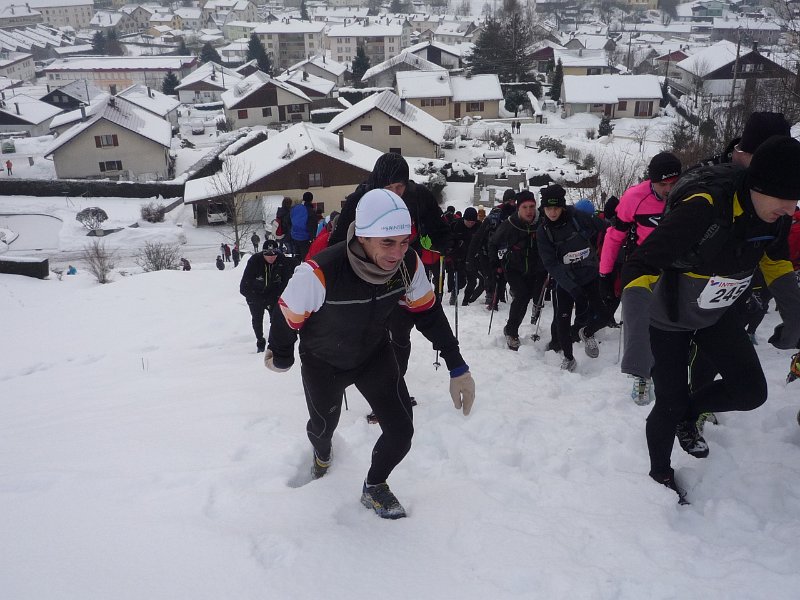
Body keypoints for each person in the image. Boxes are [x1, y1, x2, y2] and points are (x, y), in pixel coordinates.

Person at [266, 189, 475, 519]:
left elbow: (428, 313)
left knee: (402, 431)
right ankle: (322, 455)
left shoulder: (408, 265)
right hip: (323, 362)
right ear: (362, 236)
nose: (397, 252)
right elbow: (286, 314)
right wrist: (281, 354)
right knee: (323, 428)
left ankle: (375, 485)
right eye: (387, 242)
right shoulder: (320, 272)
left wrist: (457, 365)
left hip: (373, 355)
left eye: (404, 242)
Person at [620, 135, 800, 502]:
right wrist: (637, 345)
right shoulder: (704, 207)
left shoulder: (776, 216)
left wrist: (795, 317)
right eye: (783, 197)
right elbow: (640, 265)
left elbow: (777, 262)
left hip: (715, 314)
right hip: (667, 318)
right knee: (669, 402)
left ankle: (688, 413)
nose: (790, 208)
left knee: (750, 392)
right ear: (758, 185)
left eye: (795, 199)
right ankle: (660, 474)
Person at [329, 152, 452, 413]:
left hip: (404, 275)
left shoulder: (418, 196)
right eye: (389, 187)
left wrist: (443, 245)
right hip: (367, 279)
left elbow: (439, 230)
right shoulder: (361, 200)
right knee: (374, 337)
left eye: (400, 187)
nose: (395, 193)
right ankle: (380, 391)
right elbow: (338, 243)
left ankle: (390, 392)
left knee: (400, 335)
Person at [599, 152, 682, 401]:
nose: (668, 189)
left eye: (673, 183)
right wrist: (605, 273)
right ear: (651, 181)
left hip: (678, 265)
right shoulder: (634, 197)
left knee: (675, 323)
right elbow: (615, 236)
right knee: (639, 321)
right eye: (662, 184)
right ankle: (641, 375)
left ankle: (677, 376)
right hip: (644, 264)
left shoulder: (689, 193)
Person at [537, 185, 610, 371]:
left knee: (604, 316)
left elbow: (606, 228)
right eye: (548, 208)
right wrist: (572, 288)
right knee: (563, 319)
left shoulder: (577, 216)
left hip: (589, 275)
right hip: (566, 281)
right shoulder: (543, 231)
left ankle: (586, 332)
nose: (552, 212)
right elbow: (550, 263)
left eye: (556, 208)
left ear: (562, 206)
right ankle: (568, 358)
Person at [488, 190, 548, 351]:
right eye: (525, 207)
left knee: (526, 297)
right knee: (521, 295)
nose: (529, 211)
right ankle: (511, 331)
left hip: (533, 268)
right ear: (518, 208)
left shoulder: (541, 223)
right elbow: (493, 243)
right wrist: (495, 265)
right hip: (512, 266)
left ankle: (511, 328)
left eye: (532, 206)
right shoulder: (510, 224)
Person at [240, 239, 294, 352]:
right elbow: (244, 287)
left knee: (276, 319)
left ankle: (274, 342)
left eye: (274, 254)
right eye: (268, 255)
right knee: (257, 320)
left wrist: (275, 296)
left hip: (273, 295)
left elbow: (286, 282)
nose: (271, 257)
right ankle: (260, 341)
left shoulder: (281, 260)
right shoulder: (254, 261)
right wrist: (256, 298)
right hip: (255, 295)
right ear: (263, 253)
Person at [467, 189, 516, 310]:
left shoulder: (517, 214)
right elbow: (478, 236)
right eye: (510, 201)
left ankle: (500, 297)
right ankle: (491, 297)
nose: (512, 203)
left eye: (513, 201)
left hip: (507, 251)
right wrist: (470, 257)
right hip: (488, 251)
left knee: (503, 276)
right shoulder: (494, 215)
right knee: (491, 276)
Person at [449, 207, 483, 306]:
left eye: (473, 222)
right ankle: (454, 293)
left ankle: (466, 301)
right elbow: (450, 242)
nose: (471, 224)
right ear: (464, 219)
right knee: (461, 282)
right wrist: (452, 252)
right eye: (468, 221)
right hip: (459, 258)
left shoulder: (479, 226)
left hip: (472, 258)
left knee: (472, 281)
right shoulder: (456, 226)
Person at [290, 192, 317, 260]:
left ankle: (296, 265)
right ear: (311, 199)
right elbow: (312, 226)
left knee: (297, 257)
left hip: (294, 236)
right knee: (306, 257)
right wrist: (312, 238)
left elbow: (290, 219)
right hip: (305, 238)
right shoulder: (310, 211)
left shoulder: (295, 208)